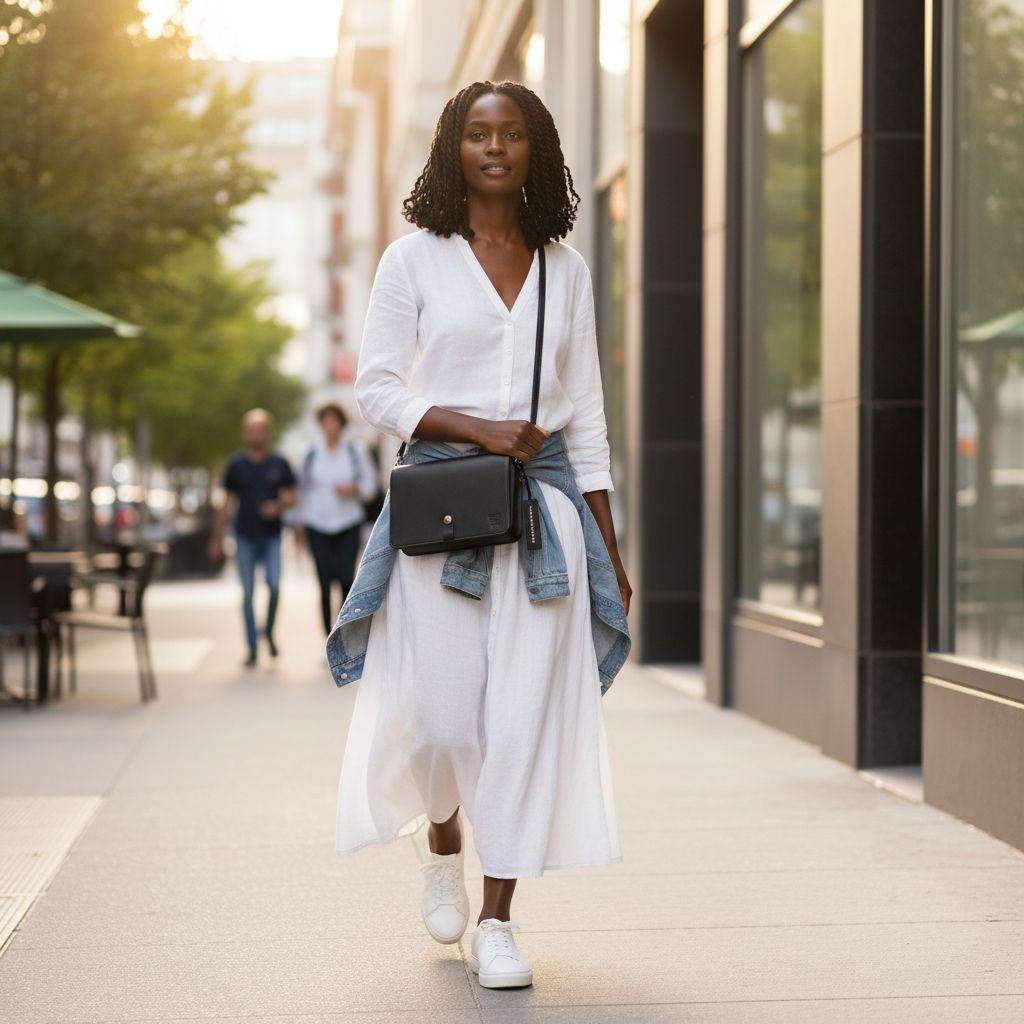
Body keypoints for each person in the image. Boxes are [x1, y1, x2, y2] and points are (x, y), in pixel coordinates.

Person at [325, 80, 632, 989]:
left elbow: (586, 420)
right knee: (444, 721)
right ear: (452, 149)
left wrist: (610, 544)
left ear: (535, 148)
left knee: (519, 726)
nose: (494, 147)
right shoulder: (412, 261)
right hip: (443, 517)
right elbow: (377, 388)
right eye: (476, 133)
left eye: (510, 134)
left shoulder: (565, 269)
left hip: (546, 523)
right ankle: (443, 834)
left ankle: (499, 920)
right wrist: (478, 427)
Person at [209, 408, 297, 667]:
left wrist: (278, 507)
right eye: (252, 430)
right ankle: (251, 648)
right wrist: (216, 540)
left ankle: (268, 631)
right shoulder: (236, 465)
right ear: (245, 433)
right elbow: (225, 504)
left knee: (274, 586)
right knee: (247, 594)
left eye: (261, 430)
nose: (256, 435)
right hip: (244, 537)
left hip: (272, 537)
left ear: (268, 433)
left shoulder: (279, 463)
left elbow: (292, 497)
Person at [297, 401, 378, 636]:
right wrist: (299, 526)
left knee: (345, 579)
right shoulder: (310, 455)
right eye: (326, 420)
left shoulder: (356, 452)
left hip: (348, 522)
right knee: (323, 582)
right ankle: (327, 638)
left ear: (341, 424)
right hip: (317, 524)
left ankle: (343, 635)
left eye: (334, 420)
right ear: (321, 424)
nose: (330, 425)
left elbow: (371, 487)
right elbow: (302, 493)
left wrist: (354, 490)